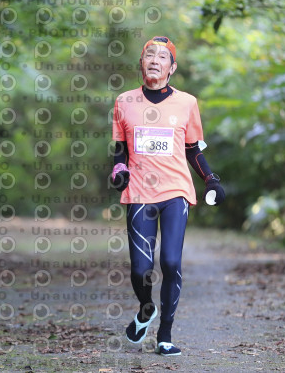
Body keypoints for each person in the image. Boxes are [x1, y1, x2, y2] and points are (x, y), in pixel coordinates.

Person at [110, 36, 225, 356]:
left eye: (163, 57)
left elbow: (193, 150)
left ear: (172, 68)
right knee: (140, 269)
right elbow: (120, 149)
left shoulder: (187, 103)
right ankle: (146, 308)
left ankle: (165, 334)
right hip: (139, 193)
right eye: (149, 55)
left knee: (171, 262)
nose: (155, 60)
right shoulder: (124, 101)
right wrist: (119, 169)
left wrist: (211, 180)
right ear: (141, 63)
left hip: (176, 190)